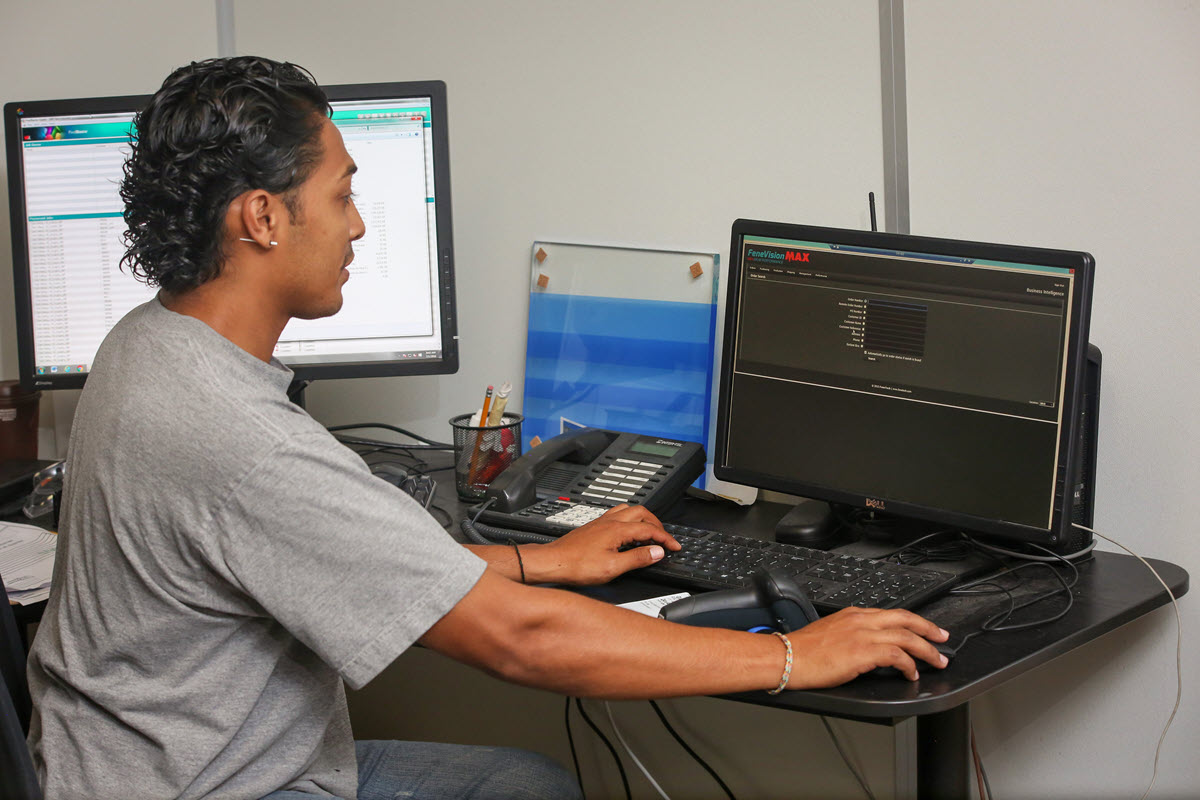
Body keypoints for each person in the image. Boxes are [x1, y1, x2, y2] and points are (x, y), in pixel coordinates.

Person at [25, 56, 949, 800]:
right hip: (221, 784)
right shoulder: (245, 441)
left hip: (125, 768)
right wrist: (792, 655)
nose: (355, 226)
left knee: (527, 783)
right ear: (264, 216)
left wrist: (537, 558)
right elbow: (522, 642)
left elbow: (319, 560)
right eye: (343, 194)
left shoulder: (144, 345)